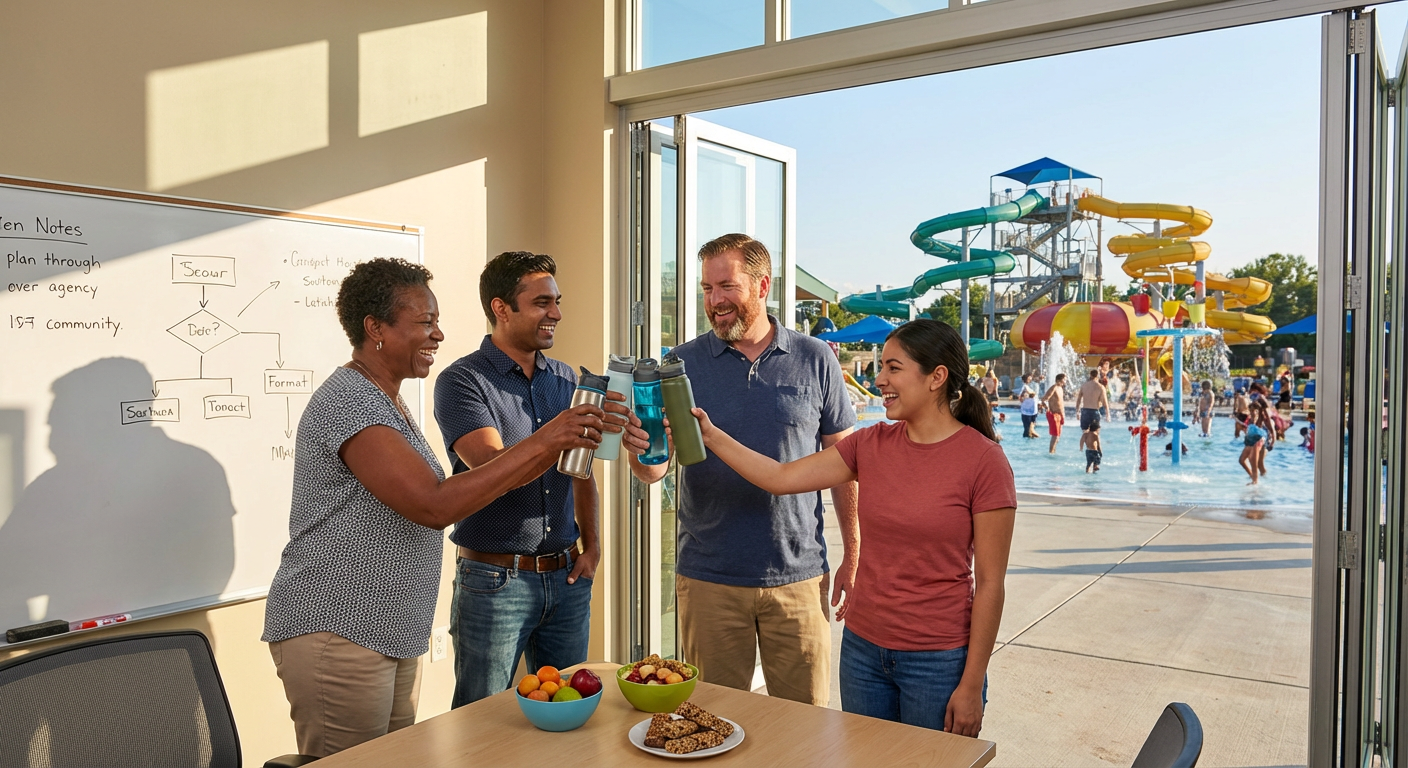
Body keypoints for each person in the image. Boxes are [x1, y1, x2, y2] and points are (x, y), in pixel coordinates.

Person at [262, 258, 610, 758]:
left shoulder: (385, 400)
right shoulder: (351, 403)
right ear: (375, 328)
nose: (439, 334)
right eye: (425, 323)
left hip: (387, 629)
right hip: (338, 627)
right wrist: (550, 439)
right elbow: (432, 504)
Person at [687, 319, 1016, 736]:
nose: (879, 380)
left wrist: (972, 683)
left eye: (893, 368)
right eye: (881, 368)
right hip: (862, 653)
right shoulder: (870, 444)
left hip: (938, 660)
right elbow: (780, 477)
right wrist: (710, 435)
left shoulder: (984, 462)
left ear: (937, 377)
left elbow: (990, 584)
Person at [631, 233, 858, 706]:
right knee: (710, 724)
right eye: (707, 289)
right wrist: (643, 451)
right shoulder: (680, 365)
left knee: (805, 733)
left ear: (762, 285)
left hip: (799, 578)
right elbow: (654, 471)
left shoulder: (816, 359)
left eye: (726, 286)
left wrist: (855, 554)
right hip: (710, 579)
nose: (715, 301)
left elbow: (847, 467)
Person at [432, 251, 646, 708]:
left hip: (567, 579)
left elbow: (581, 469)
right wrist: (556, 434)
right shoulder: (462, 381)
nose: (557, 314)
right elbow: (492, 470)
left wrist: (593, 547)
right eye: (542, 303)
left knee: (570, 711)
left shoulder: (567, 378)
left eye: (557, 301)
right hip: (494, 582)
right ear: (501, 308)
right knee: (482, 719)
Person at [1239, 413, 1268, 485]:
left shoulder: (1261, 420)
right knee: (1241, 460)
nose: (1252, 414)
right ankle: (1252, 476)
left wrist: (1272, 440)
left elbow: (1269, 431)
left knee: (1254, 462)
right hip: (1249, 442)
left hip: (1257, 442)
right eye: (1251, 411)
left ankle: (1255, 481)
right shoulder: (1249, 420)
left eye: (1254, 411)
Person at [1042, 373, 1067, 454]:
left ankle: (1053, 451)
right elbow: (1044, 399)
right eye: (1064, 379)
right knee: (1055, 436)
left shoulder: (1060, 388)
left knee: (1058, 437)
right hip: (1054, 414)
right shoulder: (1054, 387)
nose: (1066, 381)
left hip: (1060, 415)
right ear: (1059, 380)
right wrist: (1047, 409)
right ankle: (1051, 453)